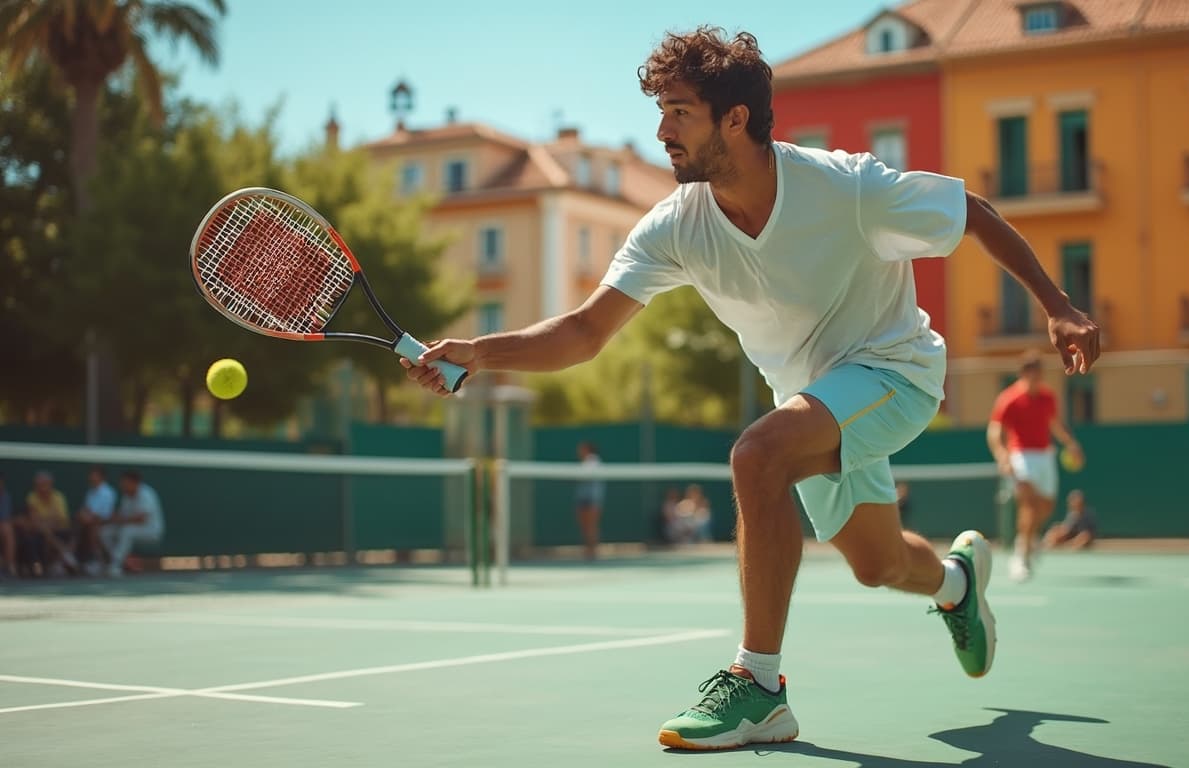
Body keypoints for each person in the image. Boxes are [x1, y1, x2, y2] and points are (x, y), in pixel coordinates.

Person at [403, 27, 1100, 750]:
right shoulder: (676, 225)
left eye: (679, 112)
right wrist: (480, 353)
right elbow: (584, 333)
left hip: (895, 373)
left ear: (735, 118)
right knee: (878, 563)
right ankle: (958, 583)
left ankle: (759, 686)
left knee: (756, 455)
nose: (660, 130)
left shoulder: (848, 187)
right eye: (662, 111)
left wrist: (1059, 307)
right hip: (812, 399)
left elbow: (973, 214)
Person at [987, 352, 1085, 582]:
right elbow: (994, 431)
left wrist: (1071, 444)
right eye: (1032, 373)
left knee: (1047, 506)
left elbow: (1055, 424)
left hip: (1045, 456)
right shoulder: (1009, 398)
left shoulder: (1048, 397)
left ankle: (1029, 538)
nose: (1036, 378)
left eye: (1039, 373)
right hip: (1021, 456)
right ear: (1024, 374)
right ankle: (1021, 556)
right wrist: (1002, 454)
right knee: (1029, 505)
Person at [100, 470, 164, 577]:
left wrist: (120, 520)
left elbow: (141, 519)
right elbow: (121, 516)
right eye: (122, 483)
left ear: (134, 482)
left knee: (127, 531)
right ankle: (119, 562)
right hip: (132, 530)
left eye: (125, 483)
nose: (122, 485)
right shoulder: (126, 496)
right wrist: (111, 519)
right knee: (105, 532)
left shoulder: (146, 494)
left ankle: (115, 565)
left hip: (152, 532)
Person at [16, 470, 77, 576]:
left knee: (66, 533)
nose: (42, 488)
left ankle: (57, 563)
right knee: (36, 536)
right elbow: (35, 521)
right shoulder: (32, 497)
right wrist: (46, 523)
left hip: (56, 531)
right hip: (38, 532)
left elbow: (61, 520)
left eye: (44, 484)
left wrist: (45, 523)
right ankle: (64, 555)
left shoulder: (58, 497)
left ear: (50, 484)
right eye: (39, 485)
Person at [75, 465, 117, 574]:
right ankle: (73, 559)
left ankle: (98, 561)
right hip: (89, 523)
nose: (92, 477)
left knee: (92, 528)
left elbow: (103, 515)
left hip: (104, 523)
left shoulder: (108, 492)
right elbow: (85, 510)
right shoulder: (90, 492)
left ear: (102, 477)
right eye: (91, 475)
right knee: (81, 526)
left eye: (95, 475)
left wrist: (89, 519)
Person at [574, 442, 605, 560]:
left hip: (592, 499)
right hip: (583, 499)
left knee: (592, 526)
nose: (579, 452)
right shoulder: (584, 462)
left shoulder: (594, 461)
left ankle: (593, 551)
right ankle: (588, 551)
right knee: (585, 527)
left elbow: (584, 475)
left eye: (581, 449)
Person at [0, 473, 16, 578]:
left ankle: (7, 567)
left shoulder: (5, 496)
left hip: (3, 528)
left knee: (7, 529)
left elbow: (5, 518)